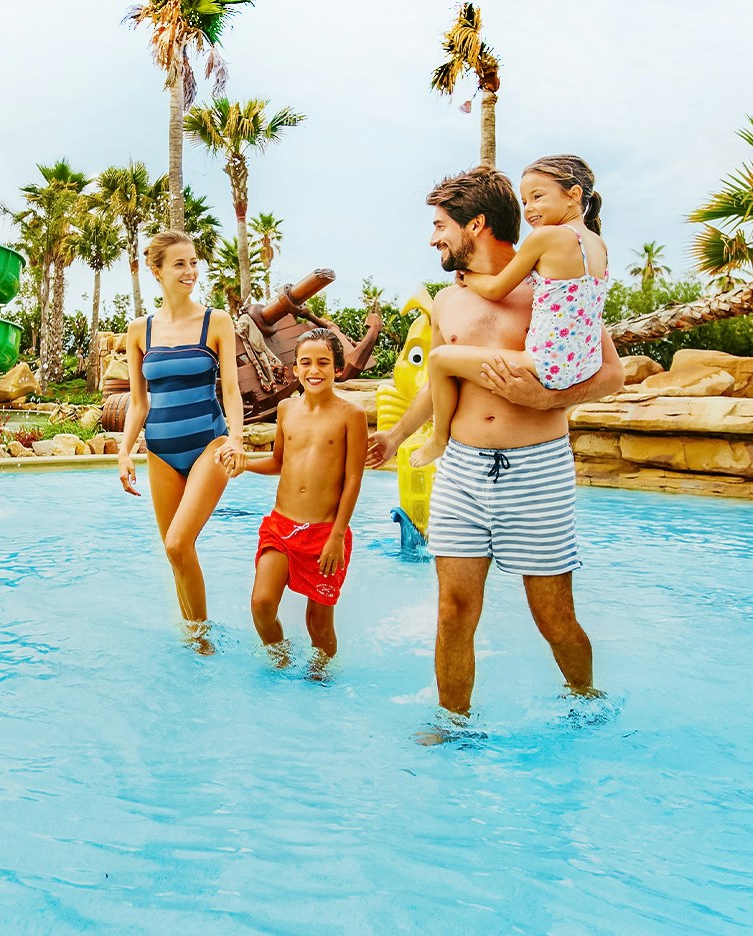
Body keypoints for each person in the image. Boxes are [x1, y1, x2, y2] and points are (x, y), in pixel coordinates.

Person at [366, 166, 625, 729]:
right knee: (454, 610)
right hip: (461, 470)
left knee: (553, 615)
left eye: (440, 226)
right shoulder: (447, 301)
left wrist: (548, 400)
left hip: (537, 470)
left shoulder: (552, 281)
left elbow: (611, 375)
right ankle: (452, 724)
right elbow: (441, 385)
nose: (433, 238)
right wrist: (395, 435)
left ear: (474, 224)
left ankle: (586, 699)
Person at [410, 155, 610, 469]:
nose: (529, 209)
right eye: (525, 200)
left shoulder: (543, 248)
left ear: (573, 195)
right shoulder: (597, 246)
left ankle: (438, 439)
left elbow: (496, 288)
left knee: (439, 359)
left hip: (540, 443)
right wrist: (394, 437)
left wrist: (469, 277)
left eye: (538, 197)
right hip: (576, 366)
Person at [117, 230, 248, 650]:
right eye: (179, 263)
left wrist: (237, 440)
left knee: (178, 541)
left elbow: (231, 390)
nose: (190, 271)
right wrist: (124, 452)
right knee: (174, 553)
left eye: (193, 262)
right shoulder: (140, 330)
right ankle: (192, 639)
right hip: (160, 451)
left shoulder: (216, 322)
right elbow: (138, 403)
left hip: (210, 444)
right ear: (156, 271)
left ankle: (203, 638)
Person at [246, 329, 366, 669]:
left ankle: (321, 677)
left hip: (325, 533)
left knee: (319, 622)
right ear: (295, 370)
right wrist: (244, 464)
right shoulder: (286, 409)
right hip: (281, 526)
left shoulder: (351, 415)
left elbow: (353, 479)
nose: (315, 370)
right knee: (262, 603)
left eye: (323, 363)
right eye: (306, 363)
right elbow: (278, 463)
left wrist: (337, 536)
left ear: (337, 369)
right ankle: (280, 660)